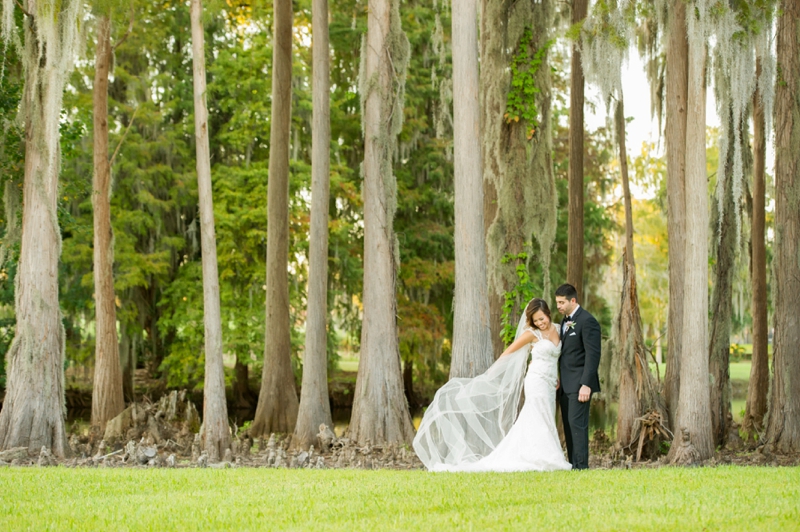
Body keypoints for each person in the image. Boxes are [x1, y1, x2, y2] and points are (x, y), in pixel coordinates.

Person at [413, 298, 571, 472]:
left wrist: (555, 376)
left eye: (542, 318)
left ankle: (543, 453)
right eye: (536, 321)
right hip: (536, 380)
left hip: (550, 382)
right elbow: (509, 352)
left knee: (547, 414)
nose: (540, 323)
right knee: (539, 414)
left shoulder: (558, 328)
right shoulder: (532, 334)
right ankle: (543, 456)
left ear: (548, 313)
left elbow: (555, 357)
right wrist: (491, 373)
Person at [554, 283, 602, 470]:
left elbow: (593, 355)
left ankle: (581, 467)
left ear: (573, 300)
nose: (558, 306)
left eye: (561, 302)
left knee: (577, 425)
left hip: (580, 385)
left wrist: (586, 384)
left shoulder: (587, 321)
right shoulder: (564, 321)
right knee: (568, 425)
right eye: (557, 302)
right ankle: (574, 464)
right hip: (565, 385)